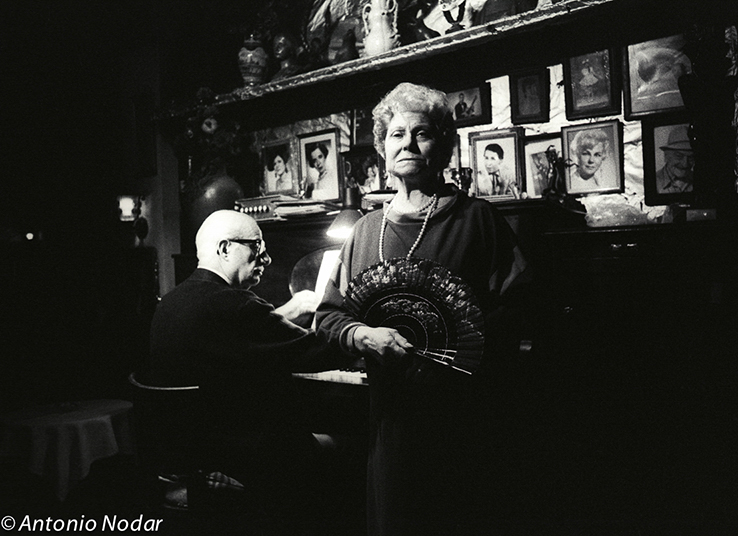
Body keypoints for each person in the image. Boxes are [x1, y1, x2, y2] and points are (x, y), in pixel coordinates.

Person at [315, 82, 531, 535]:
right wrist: (363, 335)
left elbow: (521, 306)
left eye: (423, 133)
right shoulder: (364, 230)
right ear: (382, 148)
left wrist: (453, 351)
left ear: (444, 147)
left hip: (465, 423)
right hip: (390, 424)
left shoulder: (477, 220)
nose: (408, 144)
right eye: (396, 134)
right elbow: (329, 315)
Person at [149, 209, 349, 527]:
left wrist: (280, 317)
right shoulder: (237, 305)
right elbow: (319, 351)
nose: (266, 259)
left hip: (191, 456)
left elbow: (237, 340)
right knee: (352, 443)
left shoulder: (169, 304)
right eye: (256, 247)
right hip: (247, 460)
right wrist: (356, 330)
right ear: (225, 248)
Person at [568, 128, 617, 193]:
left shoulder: (599, 183)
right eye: (586, 154)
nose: (591, 160)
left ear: (603, 156)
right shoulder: (570, 184)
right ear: (578, 154)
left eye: (597, 155)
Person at [656, 126, 694, 193]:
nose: (685, 164)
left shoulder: (701, 180)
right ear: (666, 156)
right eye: (679, 156)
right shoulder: (653, 181)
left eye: (690, 157)